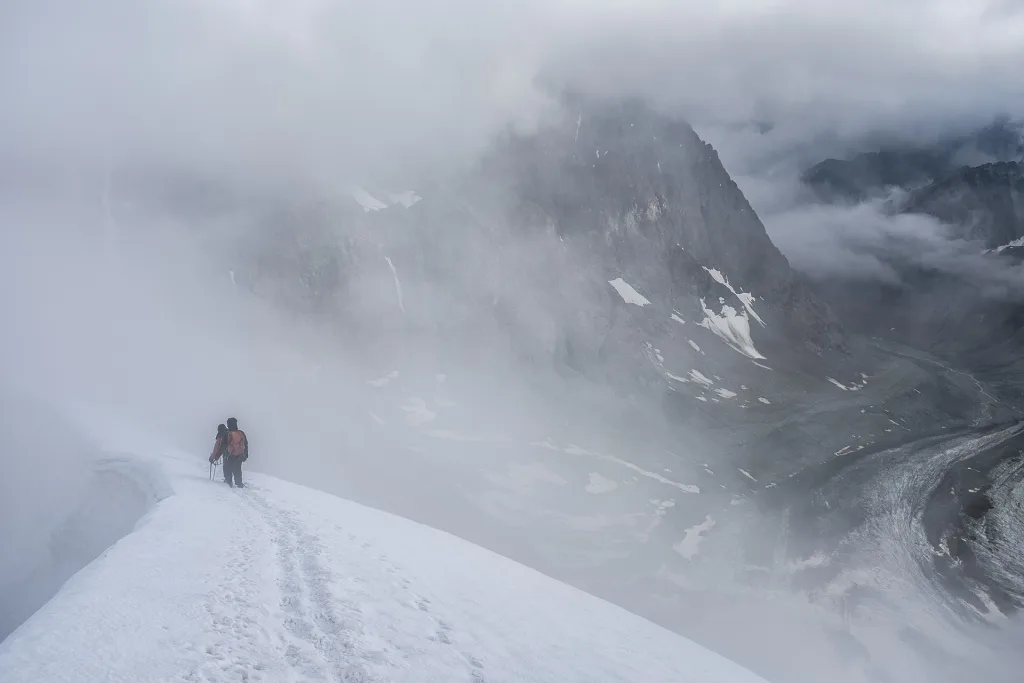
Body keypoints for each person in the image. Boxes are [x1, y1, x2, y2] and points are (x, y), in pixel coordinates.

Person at [222, 417, 249, 488]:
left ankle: (228, 481)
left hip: (229, 455)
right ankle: (239, 483)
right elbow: (245, 443)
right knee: (237, 469)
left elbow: (223, 445)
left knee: (228, 467)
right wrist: (246, 454)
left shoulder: (227, 433)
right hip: (239, 455)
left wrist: (222, 455)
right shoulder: (241, 433)